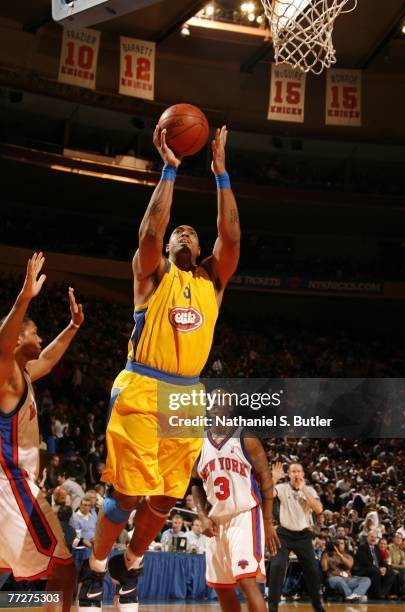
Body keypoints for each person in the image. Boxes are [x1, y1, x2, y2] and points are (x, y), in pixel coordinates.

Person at [78, 125, 241, 612]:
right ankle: (96, 567)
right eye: (178, 233)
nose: (184, 233)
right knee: (127, 494)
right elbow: (150, 229)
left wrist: (221, 176)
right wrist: (170, 168)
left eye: (192, 231)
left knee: (167, 498)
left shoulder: (211, 281)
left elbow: (231, 238)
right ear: (168, 248)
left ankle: (130, 561)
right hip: (142, 385)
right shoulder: (152, 273)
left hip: (187, 395)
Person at [0, 253, 84, 612]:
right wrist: (24, 298)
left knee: (19, 577)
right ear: (18, 338)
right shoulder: (5, 377)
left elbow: (48, 358)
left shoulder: (24, 376)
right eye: (35, 332)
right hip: (12, 486)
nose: (41, 337)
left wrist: (74, 326)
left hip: (12, 486)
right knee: (63, 568)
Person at [191, 391, 280, 612]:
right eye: (211, 403)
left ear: (229, 408)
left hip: (244, 515)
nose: (213, 407)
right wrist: (202, 517)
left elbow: (267, 482)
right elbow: (194, 484)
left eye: (219, 403)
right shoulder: (198, 443)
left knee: (247, 581)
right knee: (221, 587)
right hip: (216, 519)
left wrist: (268, 522)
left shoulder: (246, 439)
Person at [267, 462, 325, 612]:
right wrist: (273, 479)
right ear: (289, 475)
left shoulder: (310, 490)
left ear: (303, 474)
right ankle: (272, 607)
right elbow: (266, 494)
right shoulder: (281, 488)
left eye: (299, 471)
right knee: (277, 566)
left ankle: (318, 606)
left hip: (303, 535)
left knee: (312, 569)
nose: (296, 474)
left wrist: (303, 489)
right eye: (293, 471)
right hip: (284, 534)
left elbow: (319, 509)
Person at [321, 537, 371, 602]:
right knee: (338, 580)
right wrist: (325, 555)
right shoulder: (328, 556)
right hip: (334, 578)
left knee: (366, 580)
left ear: (345, 545)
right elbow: (324, 569)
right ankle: (352, 596)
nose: (339, 545)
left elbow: (349, 565)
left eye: (342, 544)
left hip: (348, 580)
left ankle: (356, 594)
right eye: (338, 544)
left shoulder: (348, 556)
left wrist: (339, 554)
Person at [354, 530, 396, 599]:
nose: (373, 539)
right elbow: (365, 561)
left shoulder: (376, 548)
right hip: (364, 569)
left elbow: (381, 561)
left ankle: (382, 593)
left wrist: (385, 568)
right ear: (367, 537)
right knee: (375, 571)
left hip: (375, 569)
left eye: (375, 537)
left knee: (391, 572)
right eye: (371, 537)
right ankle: (377, 594)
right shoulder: (362, 547)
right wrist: (378, 569)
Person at [389, 532, 405, 599]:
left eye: (400, 538)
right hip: (389, 568)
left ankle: (404, 593)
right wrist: (403, 566)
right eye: (397, 537)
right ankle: (404, 593)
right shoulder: (389, 548)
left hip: (399, 568)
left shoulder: (401, 551)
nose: (399, 539)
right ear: (393, 539)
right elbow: (389, 564)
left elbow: (404, 563)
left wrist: (404, 566)